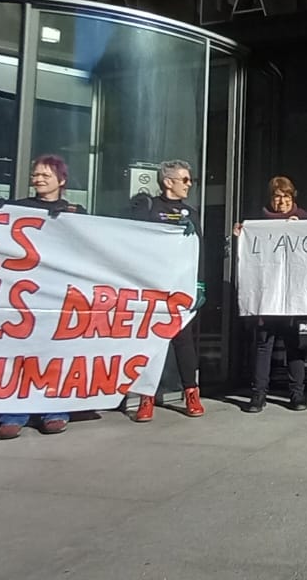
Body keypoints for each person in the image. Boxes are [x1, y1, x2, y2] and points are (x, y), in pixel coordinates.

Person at [0, 155, 86, 440]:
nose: (39, 179)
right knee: (20, 352)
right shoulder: (18, 207)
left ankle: (54, 410)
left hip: (57, 294)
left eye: (45, 175)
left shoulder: (76, 212)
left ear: (61, 180)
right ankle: (12, 414)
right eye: (36, 175)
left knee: (54, 352)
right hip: (23, 294)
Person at [127, 160, 205, 423]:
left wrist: (200, 283)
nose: (189, 184)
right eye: (185, 179)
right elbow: (133, 238)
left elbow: (199, 250)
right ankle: (146, 396)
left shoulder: (191, 212)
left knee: (183, 341)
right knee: (151, 342)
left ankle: (191, 392)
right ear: (168, 182)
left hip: (179, 285)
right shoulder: (149, 207)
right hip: (152, 285)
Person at [235, 176, 307, 413]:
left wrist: (300, 229)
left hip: (293, 296)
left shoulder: (305, 219)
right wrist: (240, 236)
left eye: (286, 196)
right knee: (264, 344)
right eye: (277, 197)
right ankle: (259, 394)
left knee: (294, 345)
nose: (281, 201)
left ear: (293, 197)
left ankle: (297, 394)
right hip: (267, 295)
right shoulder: (258, 223)